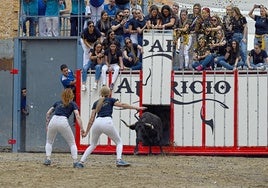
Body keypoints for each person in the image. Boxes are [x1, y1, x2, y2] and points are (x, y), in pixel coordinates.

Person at [75, 86, 147, 168]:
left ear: (101, 93)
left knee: (93, 145)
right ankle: (119, 160)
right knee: (119, 142)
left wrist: (86, 132)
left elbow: (91, 119)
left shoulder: (96, 103)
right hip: (107, 122)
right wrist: (137, 107)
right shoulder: (111, 100)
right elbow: (122, 105)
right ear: (109, 93)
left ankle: (81, 162)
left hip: (97, 123)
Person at [44, 88, 85, 168]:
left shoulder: (57, 103)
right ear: (72, 96)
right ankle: (75, 161)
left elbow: (48, 113)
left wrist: (47, 125)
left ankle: (48, 158)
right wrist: (82, 128)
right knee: (72, 143)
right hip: (63, 121)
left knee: (49, 141)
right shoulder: (73, 104)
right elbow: (77, 116)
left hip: (53, 120)